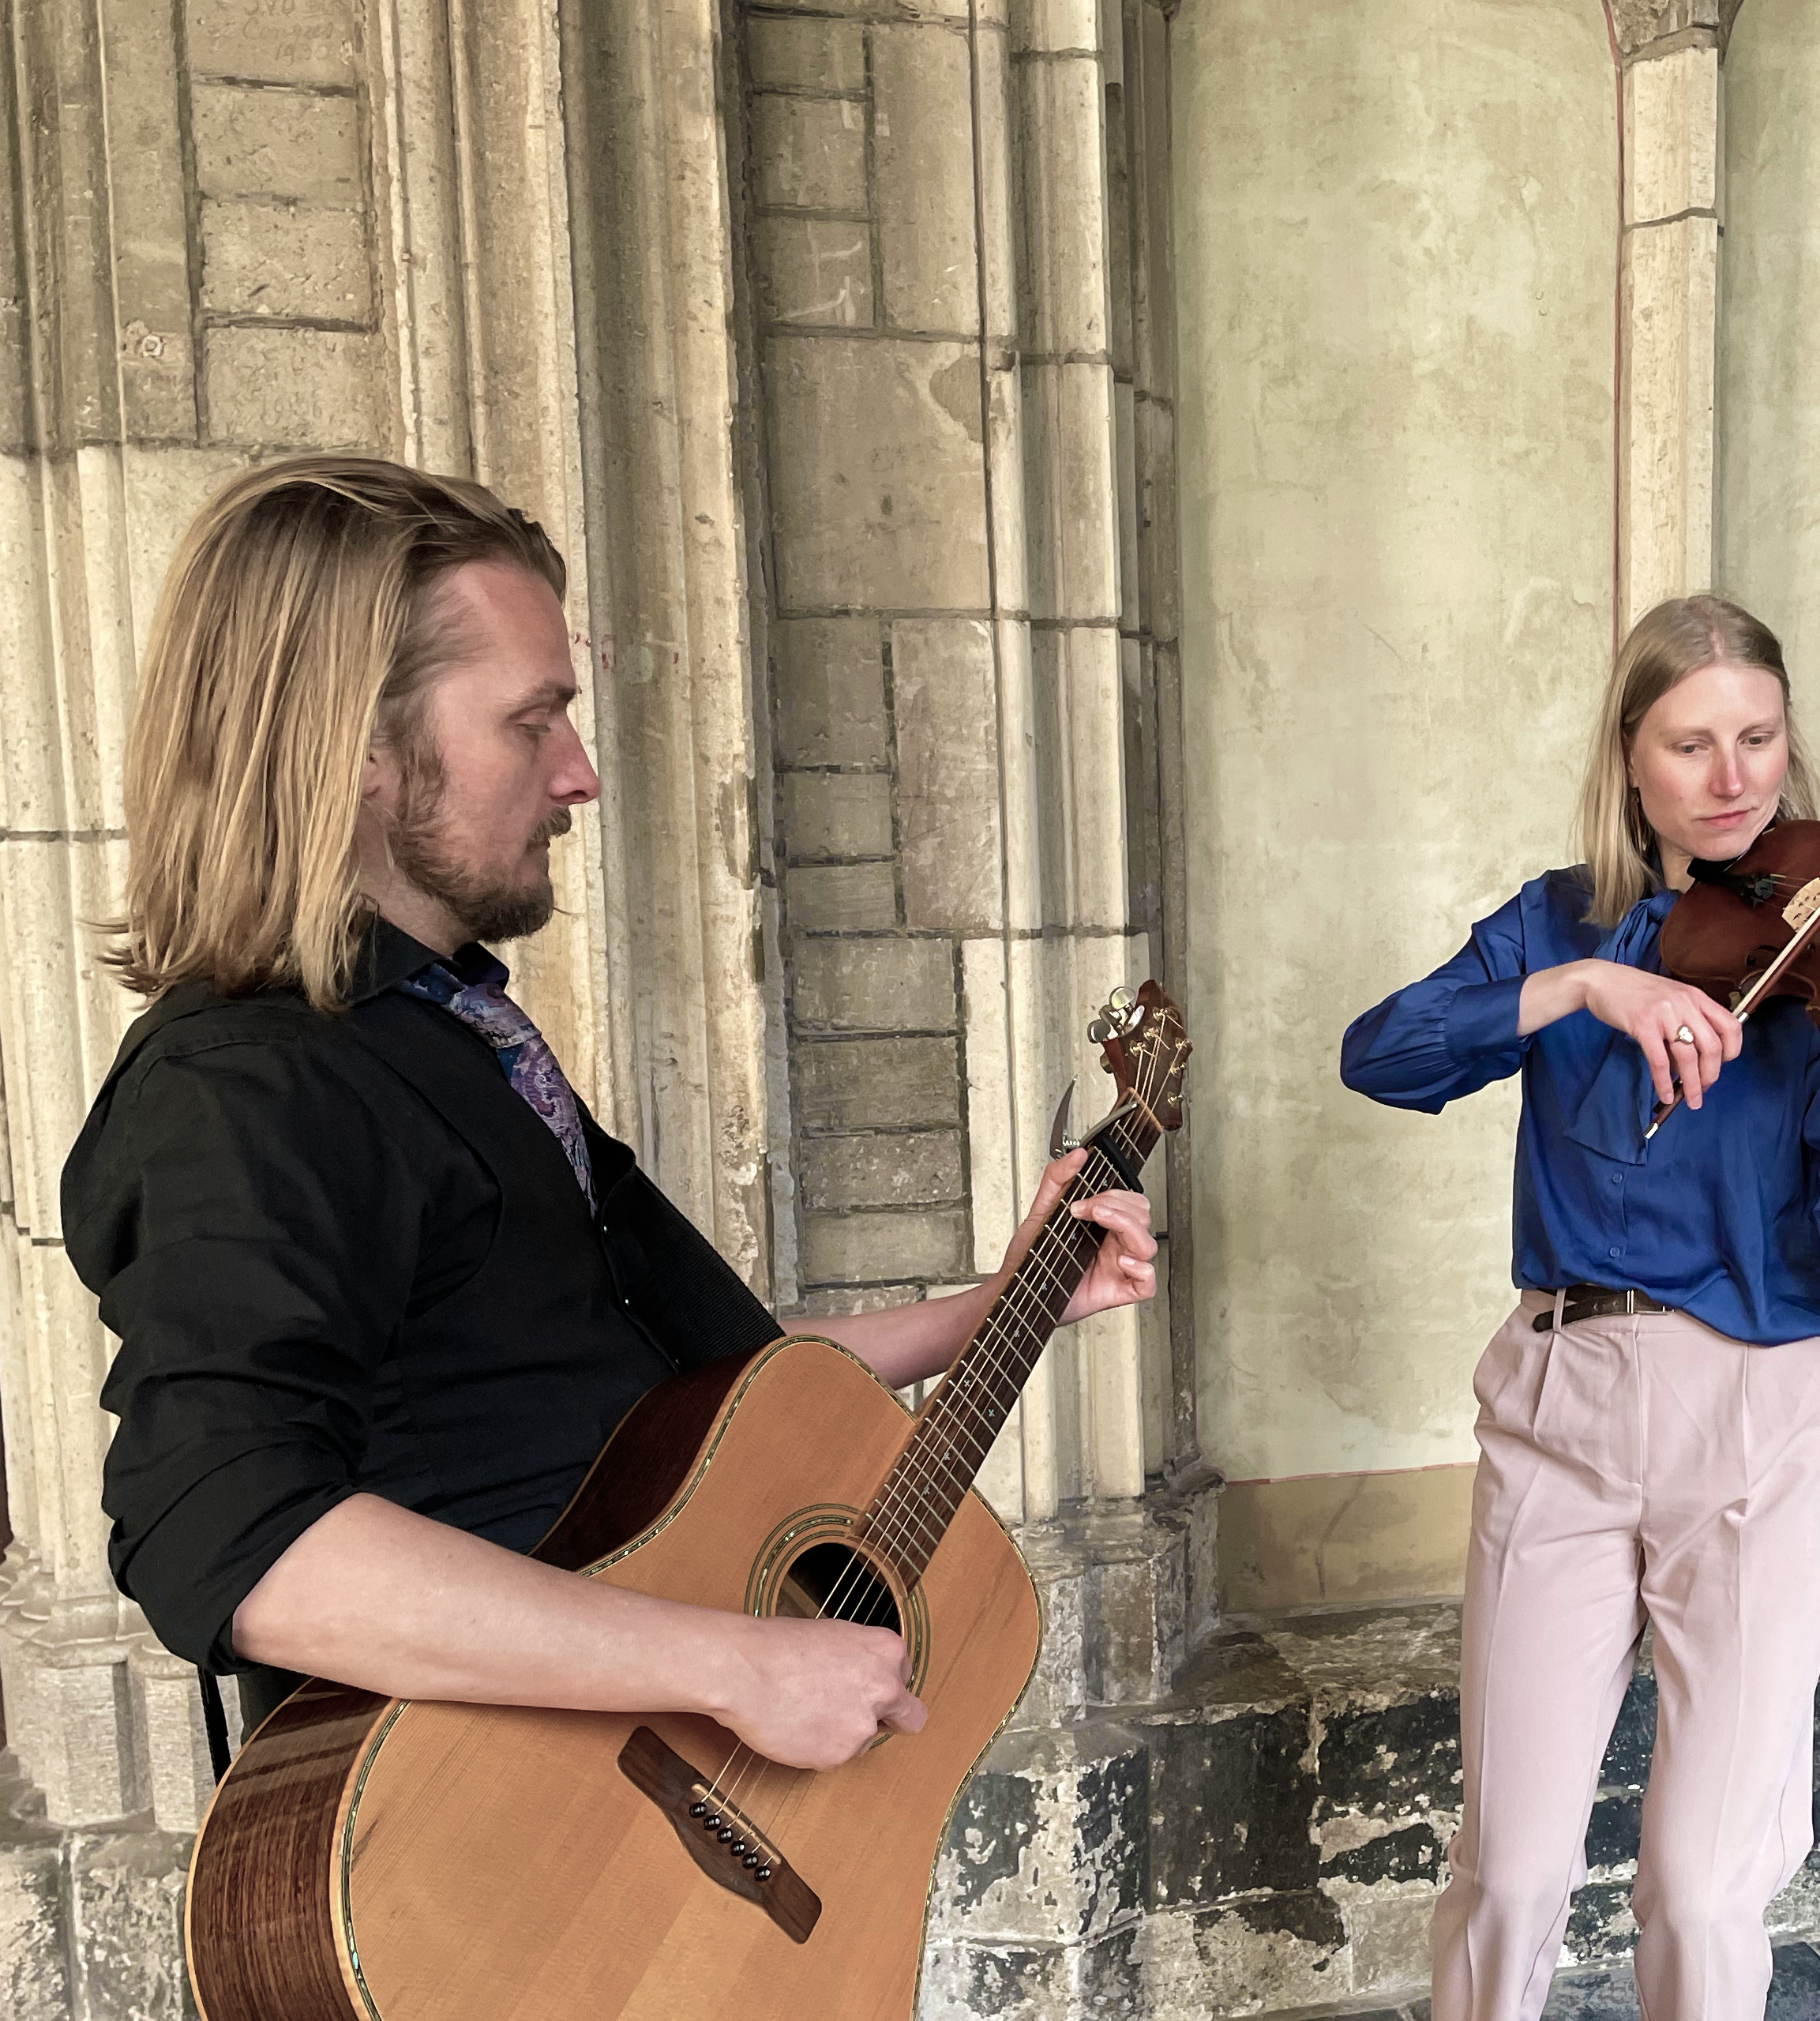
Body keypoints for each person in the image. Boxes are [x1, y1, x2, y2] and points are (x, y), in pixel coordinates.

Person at [67, 456, 1156, 1772]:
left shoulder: (453, 1037)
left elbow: (698, 1396)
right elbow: (232, 1536)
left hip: (640, 1819)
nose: (580, 774)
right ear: (355, 748)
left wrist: (1011, 1296)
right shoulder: (243, 1084)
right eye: (534, 721)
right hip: (500, 1867)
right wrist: (735, 1663)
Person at [1339, 594, 1820, 2021]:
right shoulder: (1556, 921)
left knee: (1700, 1879)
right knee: (1507, 1871)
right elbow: (1383, 1054)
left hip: (1757, 1419)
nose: (1734, 777)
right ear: (1631, 760)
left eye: (1758, 737)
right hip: (1557, 1401)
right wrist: (1580, 990)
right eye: (1692, 745)